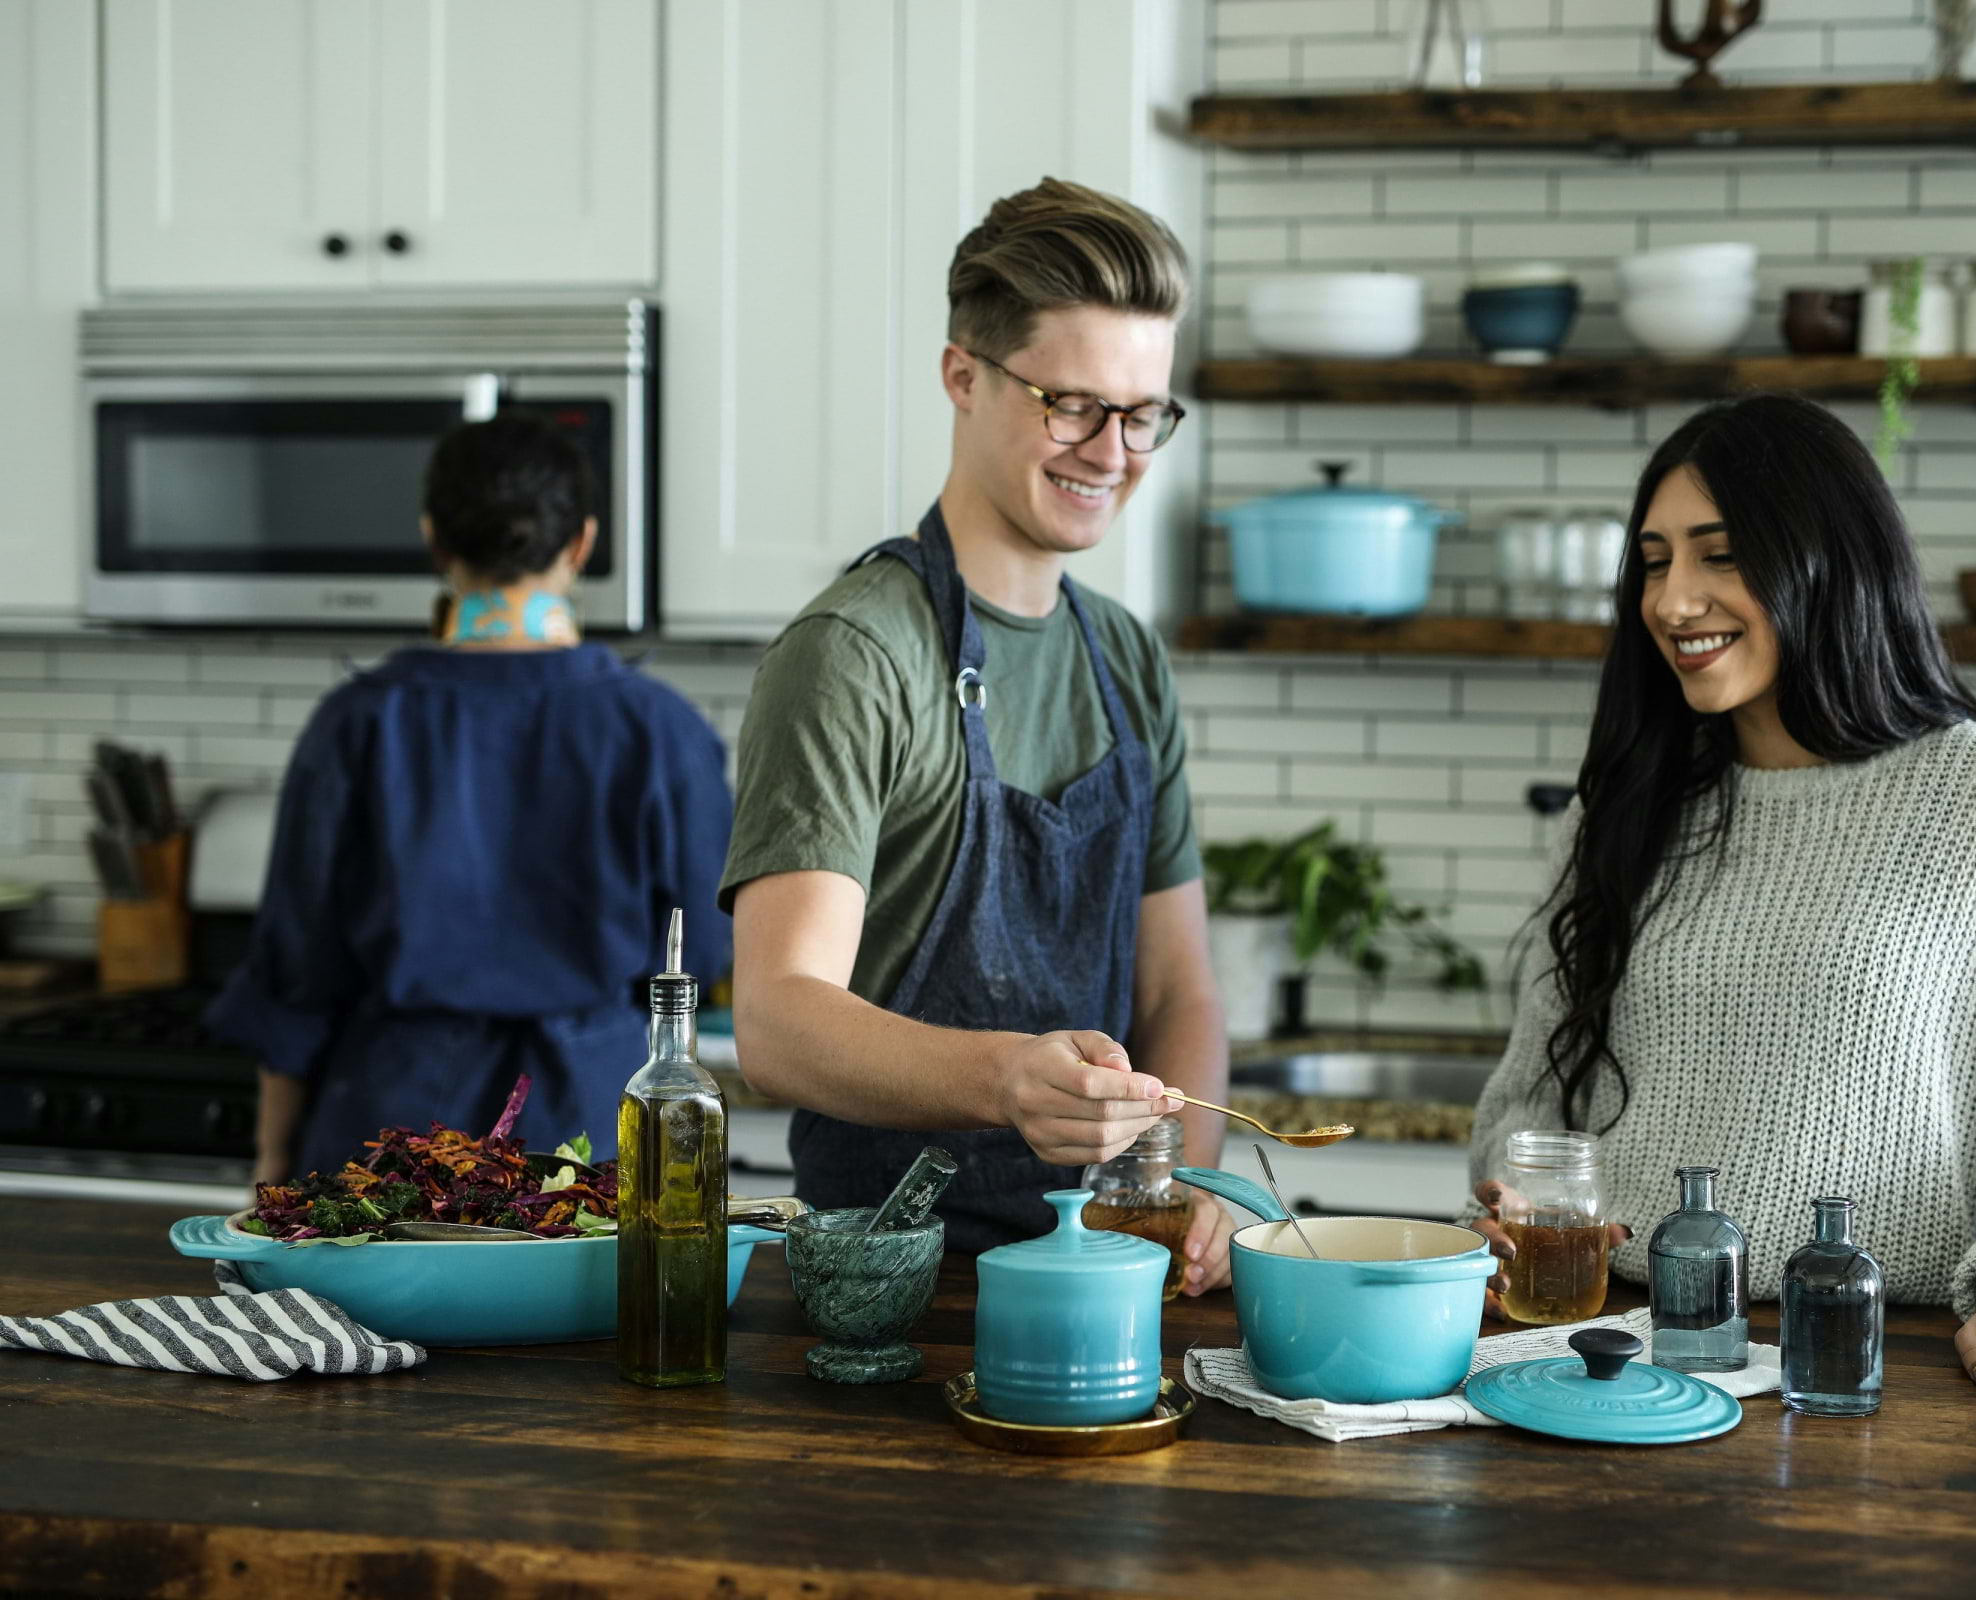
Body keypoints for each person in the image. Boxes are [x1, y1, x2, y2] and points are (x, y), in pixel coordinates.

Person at [1467, 393, 1976, 1407]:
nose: (1673, 601)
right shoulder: (1627, 810)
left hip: (1879, 1366)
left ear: (1830, 561)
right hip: (1615, 1359)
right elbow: (1530, 1102)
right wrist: (1516, 1197)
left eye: (1721, 554)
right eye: (1656, 562)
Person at [721, 176, 1233, 1287]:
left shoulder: (1127, 658)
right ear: (964, 374)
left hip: (1106, 1277)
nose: (1112, 452)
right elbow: (776, 1018)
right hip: (894, 1297)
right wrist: (1011, 1078)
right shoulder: (856, 653)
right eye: (1072, 404)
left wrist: (1187, 1174)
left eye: (1143, 413)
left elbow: (1179, 989)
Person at [209, 414, 733, 1183]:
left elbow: (296, 977)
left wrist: (272, 1165)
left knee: (356, 1314)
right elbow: (708, 952)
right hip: (591, 1139)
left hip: (388, 1138)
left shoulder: (358, 722)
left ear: (434, 541)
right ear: (582, 544)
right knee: (586, 1310)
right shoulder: (661, 731)